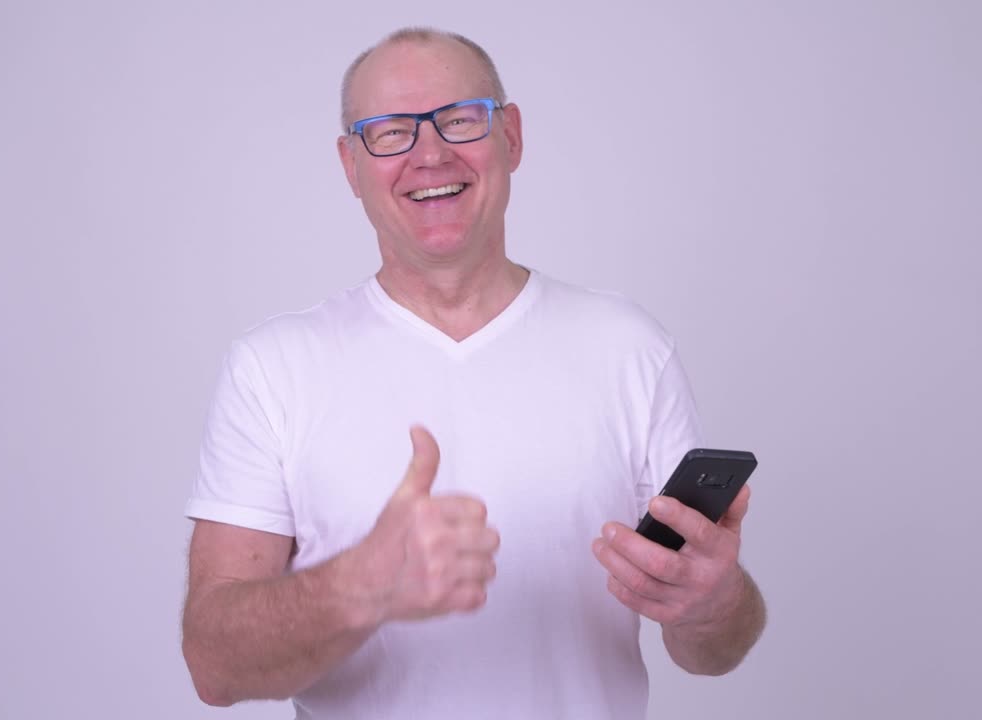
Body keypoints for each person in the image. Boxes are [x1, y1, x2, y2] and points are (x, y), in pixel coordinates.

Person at [181, 27, 765, 719]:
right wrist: (359, 585)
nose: (430, 154)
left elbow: (712, 651)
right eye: (390, 132)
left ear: (511, 136)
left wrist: (714, 602)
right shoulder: (272, 370)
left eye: (460, 120)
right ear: (350, 165)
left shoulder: (630, 349)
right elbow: (215, 667)